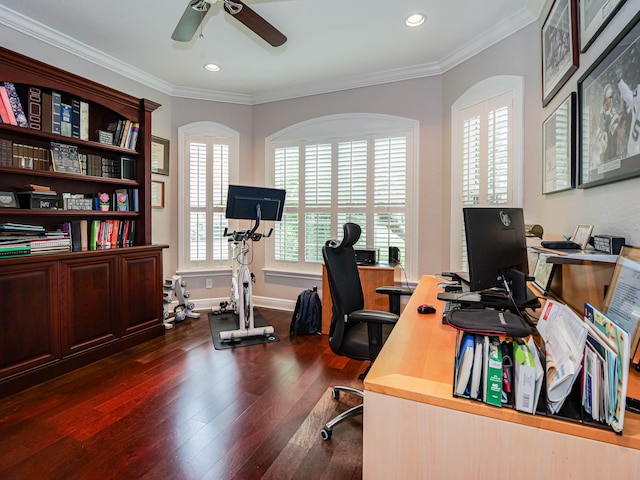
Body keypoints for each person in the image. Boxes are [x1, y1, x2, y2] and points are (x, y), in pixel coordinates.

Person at [618, 78, 640, 157]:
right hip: (632, 152)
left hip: (633, 152)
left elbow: (629, 96)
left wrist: (620, 83)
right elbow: (629, 96)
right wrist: (620, 83)